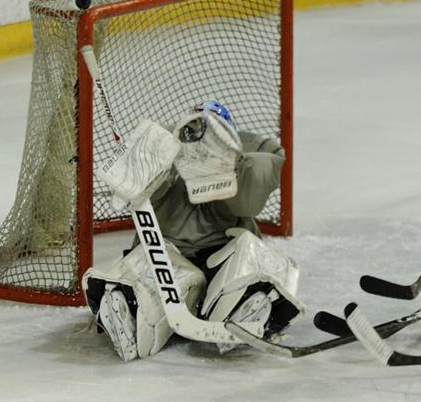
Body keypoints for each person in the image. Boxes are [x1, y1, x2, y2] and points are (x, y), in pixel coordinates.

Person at [82, 100, 305, 361]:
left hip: (223, 258)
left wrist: (231, 164)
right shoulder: (164, 152)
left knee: (249, 250)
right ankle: (128, 309)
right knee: (144, 265)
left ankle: (247, 305)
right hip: (170, 260)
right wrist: (138, 167)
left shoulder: (253, 153)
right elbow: (144, 196)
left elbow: (249, 196)